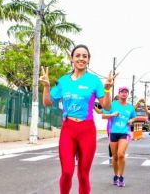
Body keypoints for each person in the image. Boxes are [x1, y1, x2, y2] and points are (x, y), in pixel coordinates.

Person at [39, 44, 115, 194]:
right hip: (68, 130)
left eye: (84, 56)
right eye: (78, 55)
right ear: (72, 59)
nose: (81, 58)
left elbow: (106, 106)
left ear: (88, 60)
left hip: (87, 130)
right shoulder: (63, 81)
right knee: (67, 172)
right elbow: (47, 102)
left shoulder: (94, 81)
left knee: (83, 175)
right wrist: (46, 87)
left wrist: (107, 89)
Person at [107, 86, 136, 187]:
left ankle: (121, 177)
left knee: (121, 154)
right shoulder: (112, 105)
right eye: (122, 92)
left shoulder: (130, 107)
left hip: (124, 133)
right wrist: (112, 114)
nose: (124, 93)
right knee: (115, 157)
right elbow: (103, 115)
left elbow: (134, 117)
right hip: (113, 132)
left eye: (126, 92)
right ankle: (115, 175)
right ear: (119, 94)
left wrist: (131, 120)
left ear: (128, 95)